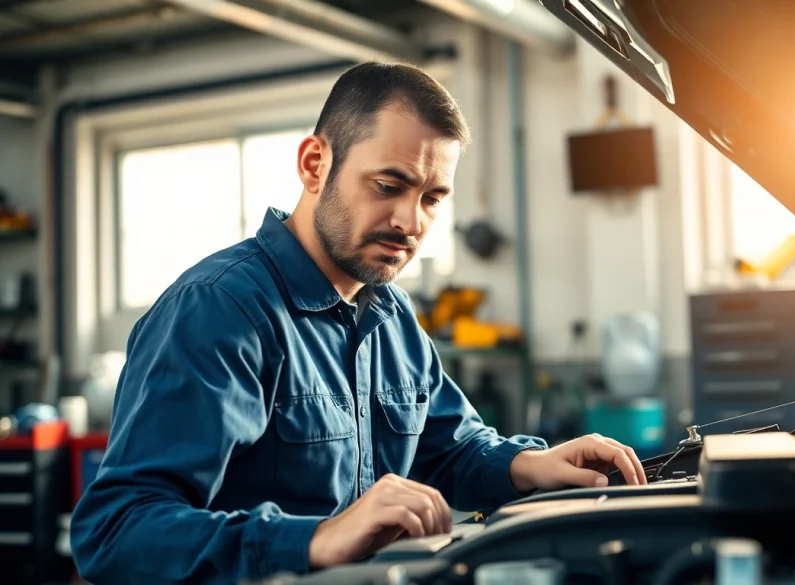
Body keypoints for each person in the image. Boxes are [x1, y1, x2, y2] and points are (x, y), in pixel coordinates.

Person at [69, 61, 648, 585]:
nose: (409, 221)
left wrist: (530, 464)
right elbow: (117, 531)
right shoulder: (219, 310)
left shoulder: (391, 315)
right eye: (388, 186)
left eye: (432, 198)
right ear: (315, 164)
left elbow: (448, 446)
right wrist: (314, 538)